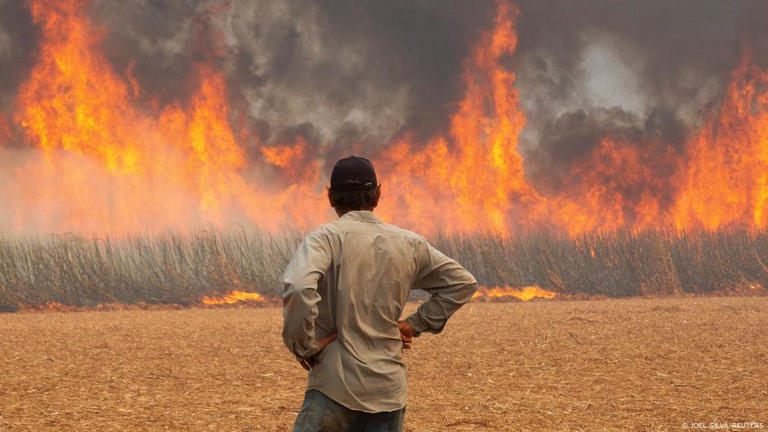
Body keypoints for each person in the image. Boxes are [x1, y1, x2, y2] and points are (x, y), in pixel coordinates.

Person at [281, 155, 478, 432]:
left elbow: (299, 286)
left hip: (334, 387)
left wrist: (304, 345)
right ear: (378, 194)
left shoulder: (324, 239)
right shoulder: (409, 243)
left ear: (330, 197)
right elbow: (462, 283)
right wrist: (414, 324)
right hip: (388, 391)